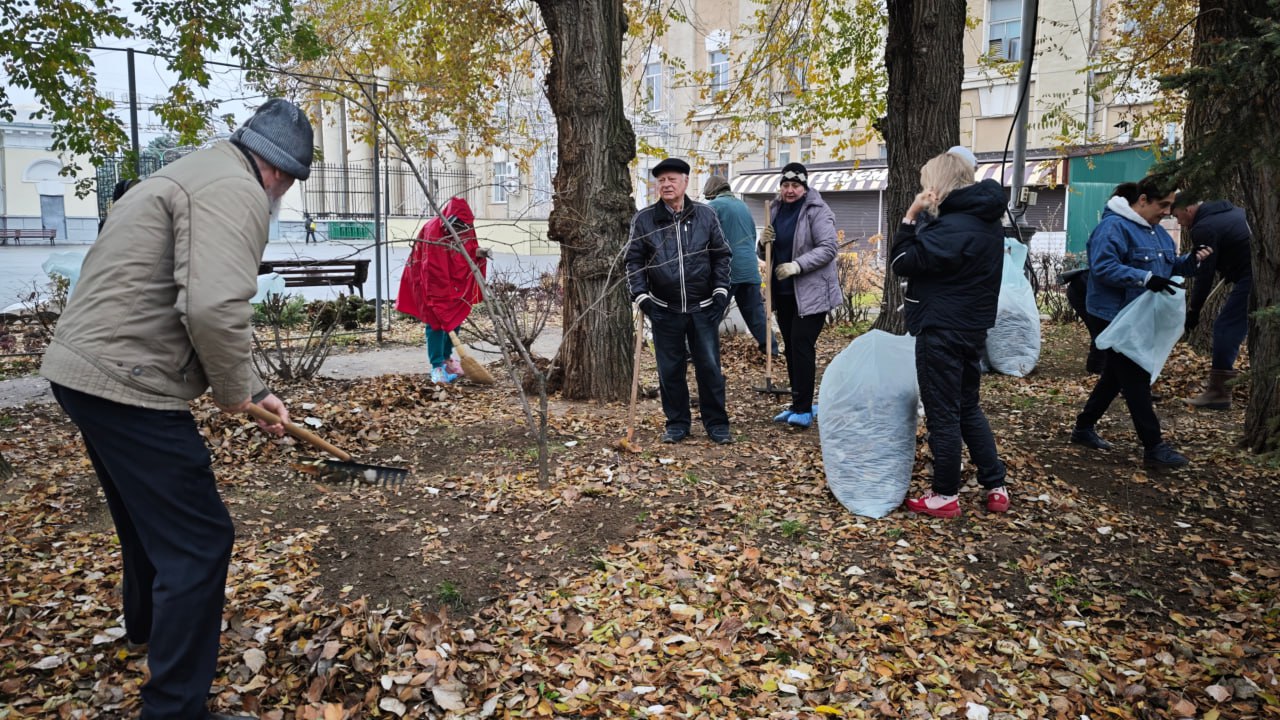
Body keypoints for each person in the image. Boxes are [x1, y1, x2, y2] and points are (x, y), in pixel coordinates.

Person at [40, 98, 313, 720]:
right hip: (129, 382)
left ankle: (145, 630)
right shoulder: (237, 191)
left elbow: (160, 286)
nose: (283, 197)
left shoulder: (188, 172)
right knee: (199, 541)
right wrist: (232, 391)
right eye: (290, 184)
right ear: (277, 171)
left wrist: (255, 386)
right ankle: (174, 707)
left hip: (85, 371)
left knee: (146, 520)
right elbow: (214, 307)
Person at [890, 149, 1009, 518]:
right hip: (973, 326)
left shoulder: (950, 226)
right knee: (968, 406)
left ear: (937, 185)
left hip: (941, 327)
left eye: (927, 183)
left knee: (943, 412)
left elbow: (900, 262)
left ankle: (944, 494)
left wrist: (911, 216)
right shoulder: (986, 219)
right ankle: (995, 485)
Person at [1070, 176, 1211, 468]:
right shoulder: (1113, 227)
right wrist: (1146, 278)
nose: (1168, 212)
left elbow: (1169, 265)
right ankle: (1154, 447)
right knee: (1135, 376)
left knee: (1115, 374)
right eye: (1163, 205)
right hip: (1110, 314)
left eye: (1171, 206)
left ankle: (1083, 428)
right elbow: (1103, 267)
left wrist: (1192, 260)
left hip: (1137, 315)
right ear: (1143, 200)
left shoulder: (1157, 233)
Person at [626, 157, 734, 445]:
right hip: (664, 309)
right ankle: (677, 423)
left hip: (703, 308)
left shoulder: (705, 216)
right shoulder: (645, 219)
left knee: (709, 367)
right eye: (661, 180)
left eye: (672, 179)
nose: (666, 184)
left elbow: (721, 255)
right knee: (670, 370)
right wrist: (641, 296)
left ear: (686, 182)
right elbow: (634, 260)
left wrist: (721, 293)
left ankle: (717, 423)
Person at [759, 162, 842, 429]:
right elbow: (765, 254)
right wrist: (762, 242)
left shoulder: (816, 211)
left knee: (801, 346)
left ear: (804, 188)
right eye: (785, 185)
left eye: (795, 186)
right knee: (792, 350)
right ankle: (797, 403)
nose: (790, 190)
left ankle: (805, 408)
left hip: (811, 292)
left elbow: (829, 247)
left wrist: (798, 265)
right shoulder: (775, 209)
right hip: (783, 293)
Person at [396, 196, 487, 384]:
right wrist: (436, 300)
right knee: (436, 324)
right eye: (459, 226)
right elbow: (432, 269)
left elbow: (469, 249)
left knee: (454, 319)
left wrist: (479, 253)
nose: (462, 231)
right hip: (429, 284)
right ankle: (436, 366)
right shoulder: (433, 230)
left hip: (455, 283)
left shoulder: (466, 227)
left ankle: (447, 358)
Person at [1173, 194, 1253, 409]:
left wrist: (1194, 311)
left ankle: (1219, 393)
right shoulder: (1234, 211)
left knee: (1225, 328)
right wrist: (1231, 268)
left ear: (1188, 208)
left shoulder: (1204, 227)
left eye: (1176, 215)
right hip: (1256, 272)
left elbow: (1204, 274)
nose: (1178, 221)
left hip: (1254, 277)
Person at [702, 174, 776, 356]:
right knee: (755, 314)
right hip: (749, 268)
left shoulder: (713, 207)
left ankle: (701, 352)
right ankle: (771, 349)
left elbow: (702, 238)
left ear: (711, 193)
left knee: (710, 314)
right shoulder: (743, 206)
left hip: (726, 270)